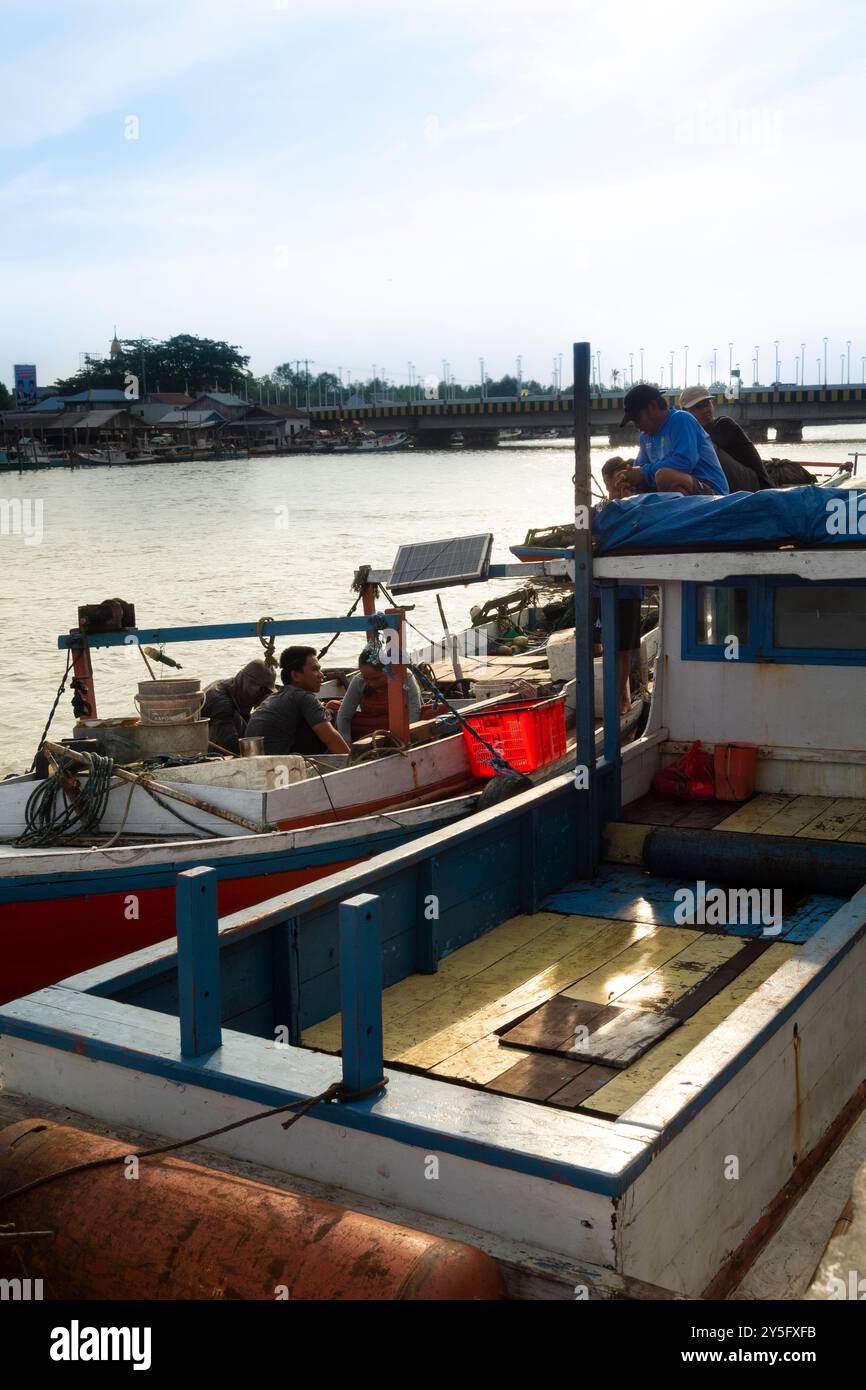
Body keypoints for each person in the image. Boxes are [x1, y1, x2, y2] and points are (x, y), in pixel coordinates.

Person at [610, 385, 729, 498]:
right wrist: (627, 479)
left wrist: (642, 473)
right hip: (684, 493)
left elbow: (684, 463)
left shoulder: (681, 419)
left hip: (712, 493)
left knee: (664, 476)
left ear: (653, 407)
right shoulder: (645, 437)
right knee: (621, 487)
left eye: (637, 419)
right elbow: (640, 469)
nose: (637, 426)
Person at [596, 457, 644, 711]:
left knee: (623, 648)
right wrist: (615, 498)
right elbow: (596, 525)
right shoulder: (600, 508)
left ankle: (621, 697)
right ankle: (608, 695)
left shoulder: (640, 502)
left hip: (629, 586)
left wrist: (628, 498)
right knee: (600, 645)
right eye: (614, 479)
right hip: (601, 586)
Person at [245, 646, 350, 756]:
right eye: (315, 669)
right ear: (295, 675)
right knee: (328, 718)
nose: (321, 675)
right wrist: (352, 761)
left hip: (256, 758)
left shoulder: (274, 697)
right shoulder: (304, 697)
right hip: (281, 762)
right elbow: (331, 739)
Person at [679, 385, 771, 492]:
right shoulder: (691, 434)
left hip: (757, 485)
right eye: (698, 407)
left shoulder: (724, 424)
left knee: (706, 450)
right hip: (738, 483)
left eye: (707, 404)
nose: (705, 410)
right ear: (685, 413)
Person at [336, 645, 423, 743]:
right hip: (371, 725)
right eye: (366, 678)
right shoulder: (359, 680)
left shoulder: (405, 677)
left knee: (433, 712)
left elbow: (415, 711)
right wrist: (346, 743)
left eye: (376, 678)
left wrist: (406, 740)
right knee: (333, 707)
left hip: (399, 724)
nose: (371, 683)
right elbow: (344, 714)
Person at [201, 659, 275, 755]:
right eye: (262, 691)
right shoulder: (221, 703)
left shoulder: (236, 690)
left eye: (267, 693)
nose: (263, 697)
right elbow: (229, 744)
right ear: (247, 682)